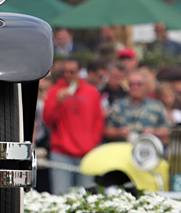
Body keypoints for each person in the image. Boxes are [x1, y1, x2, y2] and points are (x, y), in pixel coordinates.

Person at [41, 58, 104, 193]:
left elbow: (98, 121)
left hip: (86, 153)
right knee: (61, 195)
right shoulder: (55, 91)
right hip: (61, 153)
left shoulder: (91, 92)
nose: (68, 75)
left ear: (79, 72)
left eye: (72, 72)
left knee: (86, 196)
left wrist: (93, 142)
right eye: (65, 72)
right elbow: (47, 121)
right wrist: (58, 102)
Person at [104, 71, 170, 145]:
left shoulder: (157, 106)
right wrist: (119, 132)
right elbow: (107, 131)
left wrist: (153, 132)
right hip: (123, 147)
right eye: (131, 85)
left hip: (148, 149)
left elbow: (168, 131)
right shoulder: (118, 105)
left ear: (145, 86)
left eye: (139, 84)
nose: (135, 87)